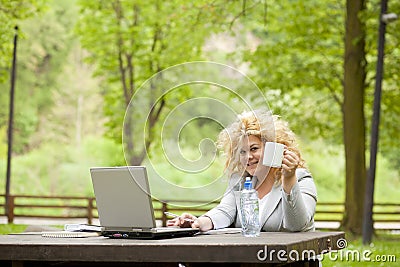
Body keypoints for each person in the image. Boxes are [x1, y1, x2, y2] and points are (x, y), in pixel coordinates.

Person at [168, 109, 317, 232]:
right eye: (242, 152)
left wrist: (289, 178)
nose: (247, 157)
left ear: (274, 147)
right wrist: (199, 222)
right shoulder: (240, 180)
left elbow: (297, 225)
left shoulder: (301, 178)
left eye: (254, 149)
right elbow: (225, 211)